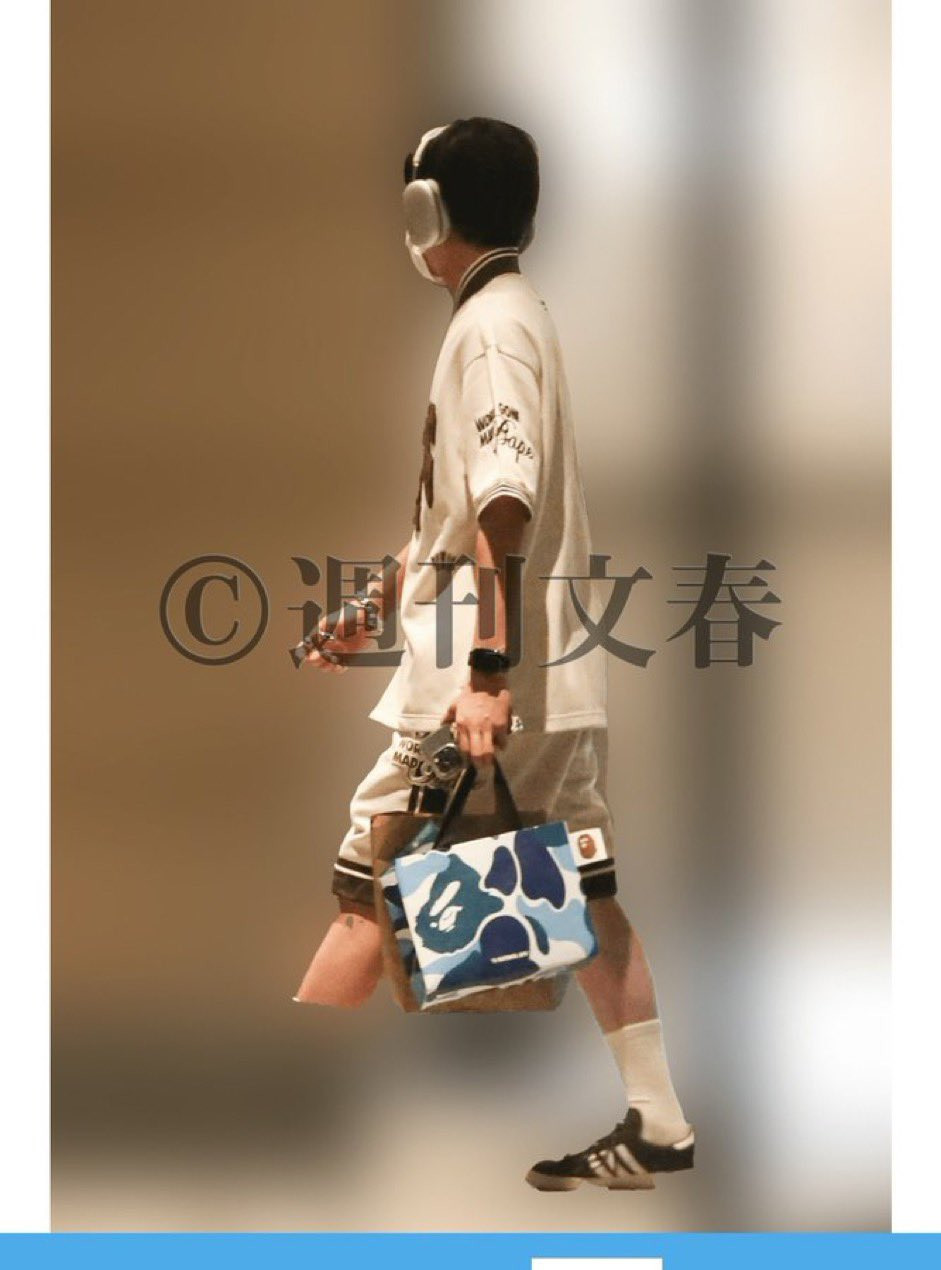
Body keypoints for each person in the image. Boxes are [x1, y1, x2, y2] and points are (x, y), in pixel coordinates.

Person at [294, 117, 694, 1191]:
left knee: (366, 887)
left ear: (428, 209)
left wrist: (482, 674)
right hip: (547, 678)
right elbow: (454, 510)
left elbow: (503, 506)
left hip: (483, 689)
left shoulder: (489, 331)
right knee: (587, 889)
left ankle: (274, 1149)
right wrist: (372, 607)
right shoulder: (509, 316)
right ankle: (658, 1120)